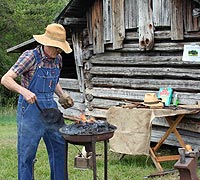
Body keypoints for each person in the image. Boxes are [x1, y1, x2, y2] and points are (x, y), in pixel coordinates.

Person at [1, 23, 74, 180]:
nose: (59, 50)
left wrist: (61, 95)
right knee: (27, 154)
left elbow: (53, 80)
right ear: (46, 43)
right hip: (30, 110)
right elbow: (6, 79)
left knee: (60, 146)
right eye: (56, 46)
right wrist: (24, 91)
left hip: (51, 109)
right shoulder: (30, 57)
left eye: (61, 47)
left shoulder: (58, 59)